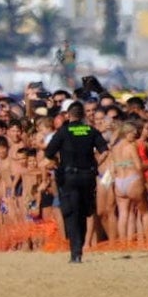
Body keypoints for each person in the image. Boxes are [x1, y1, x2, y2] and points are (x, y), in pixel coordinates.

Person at [43, 99, 108, 262]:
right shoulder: (91, 130)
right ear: (83, 115)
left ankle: (76, 252)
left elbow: (49, 152)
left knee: (71, 213)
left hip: (69, 177)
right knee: (84, 213)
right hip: (88, 176)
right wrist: (94, 165)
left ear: (68, 115)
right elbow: (105, 151)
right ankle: (79, 249)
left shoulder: (63, 131)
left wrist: (56, 163)